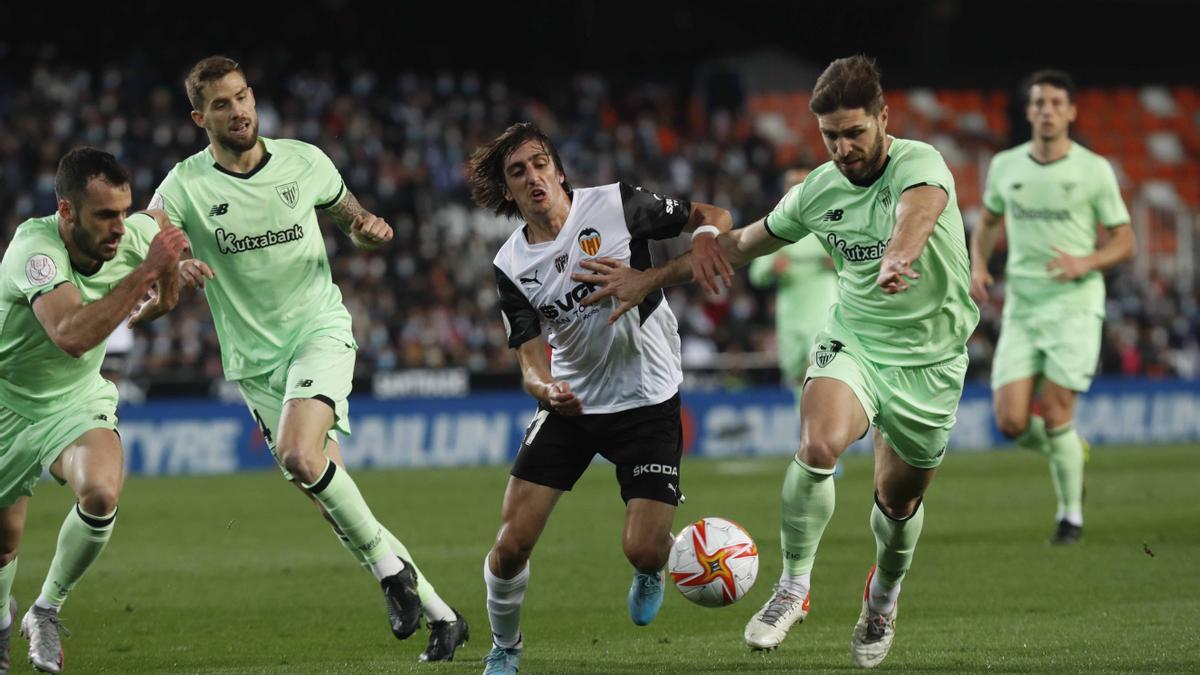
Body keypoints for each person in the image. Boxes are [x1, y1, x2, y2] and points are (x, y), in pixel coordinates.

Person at [573, 55, 980, 669]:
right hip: (856, 341)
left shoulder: (920, 163)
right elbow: (739, 246)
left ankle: (883, 597)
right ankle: (793, 586)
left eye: (854, 133)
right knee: (818, 445)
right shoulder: (818, 190)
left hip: (932, 362)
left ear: (883, 118)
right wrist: (649, 277)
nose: (842, 149)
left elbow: (916, 212)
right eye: (830, 136)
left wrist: (899, 255)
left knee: (897, 506)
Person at [147, 56, 466, 661]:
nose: (238, 111)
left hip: (318, 332)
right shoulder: (185, 184)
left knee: (299, 454)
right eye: (221, 104)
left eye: (243, 96)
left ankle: (391, 576)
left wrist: (368, 230)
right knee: (332, 501)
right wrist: (172, 261)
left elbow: (353, 218)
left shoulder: (305, 161)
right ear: (199, 118)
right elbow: (148, 231)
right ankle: (442, 616)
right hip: (255, 366)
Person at [468, 122, 732, 675]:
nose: (533, 177)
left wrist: (688, 249)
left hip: (648, 399)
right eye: (518, 172)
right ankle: (505, 647)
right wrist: (546, 388)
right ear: (508, 191)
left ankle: (651, 568)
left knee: (643, 548)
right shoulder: (510, 265)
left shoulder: (616, 205)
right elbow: (529, 359)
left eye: (540, 163)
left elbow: (712, 216)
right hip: (575, 405)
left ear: (559, 171)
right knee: (511, 544)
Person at [0, 148, 189, 673]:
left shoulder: (132, 235)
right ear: (66, 211)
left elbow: (163, 231)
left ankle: (45, 610)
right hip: (7, 403)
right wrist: (148, 274)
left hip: (76, 398)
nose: (118, 227)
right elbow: (70, 334)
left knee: (102, 491)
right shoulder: (35, 250)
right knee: (4, 544)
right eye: (104, 215)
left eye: (123, 212)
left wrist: (166, 293)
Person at [971, 70, 1134, 545]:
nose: (1047, 111)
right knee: (1010, 421)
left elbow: (1125, 240)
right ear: (1028, 111)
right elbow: (988, 221)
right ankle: (1069, 451)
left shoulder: (1093, 169)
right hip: (1023, 305)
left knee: (1058, 409)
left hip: (1074, 305)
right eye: (1039, 103)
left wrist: (1087, 261)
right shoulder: (1005, 166)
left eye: (1056, 103)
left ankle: (1070, 519)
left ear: (1071, 112)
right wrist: (979, 263)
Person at [747, 166, 839, 409]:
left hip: (823, 311)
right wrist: (772, 268)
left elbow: (857, 262)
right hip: (790, 314)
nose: (797, 190)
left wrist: (838, 264)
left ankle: (824, 423)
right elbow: (756, 275)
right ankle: (808, 422)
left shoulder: (829, 226)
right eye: (792, 185)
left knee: (822, 370)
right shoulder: (776, 229)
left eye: (802, 184)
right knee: (795, 372)